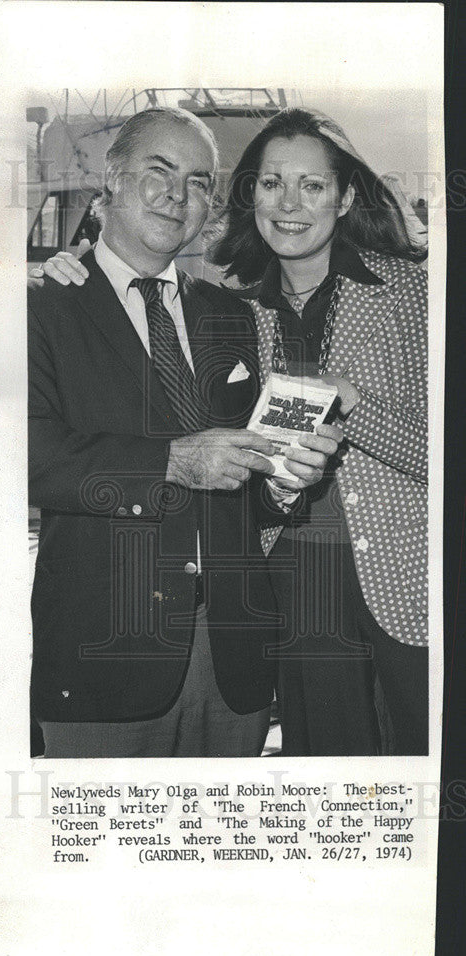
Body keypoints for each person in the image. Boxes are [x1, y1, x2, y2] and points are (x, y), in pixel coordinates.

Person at [28, 107, 341, 758]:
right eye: (159, 171)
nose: (177, 195)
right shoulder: (37, 306)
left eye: (199, 182)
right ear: (109, 183)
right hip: (105, 655)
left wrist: (281, 486)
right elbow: (24, 456)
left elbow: (241, 482)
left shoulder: (229, 316)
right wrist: (168, 462)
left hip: (233, 656)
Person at [211, 107, 428, 756]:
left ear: (346, 195)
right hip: (298, 588)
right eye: (271, 183)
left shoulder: (415, 296)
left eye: (311, 185)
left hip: (409, 579)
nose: (289, 203)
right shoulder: (232, 311)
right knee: (327, 773)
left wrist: (353, 403)